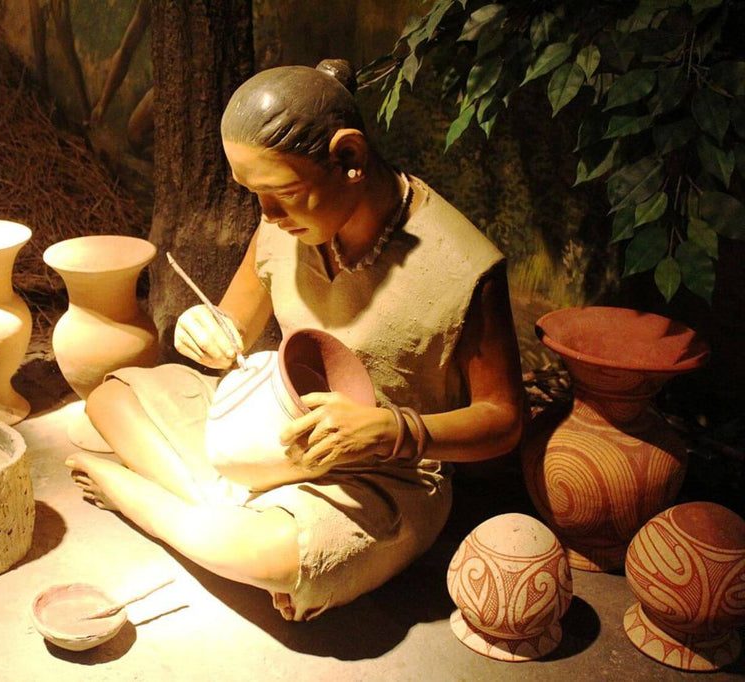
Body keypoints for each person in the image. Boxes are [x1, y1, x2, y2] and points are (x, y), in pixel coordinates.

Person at [66, 60, 523, 621]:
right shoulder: (282, 225)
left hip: (384, 473)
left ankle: (146, 500)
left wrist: (397, 430)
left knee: (269, 555)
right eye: (253, 192)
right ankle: (223, 509)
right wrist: (207, 328)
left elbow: (504, 420)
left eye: (281, 192)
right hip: (272, 421)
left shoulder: (463, 267)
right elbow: (234, 318)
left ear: (348, 159)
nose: (266, 214)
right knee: (110, 395)